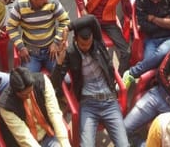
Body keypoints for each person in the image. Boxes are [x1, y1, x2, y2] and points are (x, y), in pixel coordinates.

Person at [51, 15, 130, 147]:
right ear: (75, 40)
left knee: (124, 145)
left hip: (110, 101)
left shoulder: (98, 43)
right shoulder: (70, 53)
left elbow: (92, 19)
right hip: (89, 104)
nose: (87, 47)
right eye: (83, 45)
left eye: (89, 43)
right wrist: (59, 63)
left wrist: (67, 28)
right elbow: (54, 84)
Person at [122, 0, 170, 90]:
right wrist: (165, 21)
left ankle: (131, 72)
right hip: (151, 38)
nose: (155, 1)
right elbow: (145, 26)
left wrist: (153, 18)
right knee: (149, 66)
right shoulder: (141, 1)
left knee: (161, 52)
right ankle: (148, 88)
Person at [73, 0, 132, 75]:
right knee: (83, 44)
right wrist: (82, 9)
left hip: (109, 21)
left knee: (127, 52)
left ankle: (119, 79)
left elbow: (128, 12)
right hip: (91, 17)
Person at [6, 0, 70, 73]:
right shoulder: (20, 6)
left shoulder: (53, 1)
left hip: (51, 50)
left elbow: (65, 21)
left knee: (63, 76)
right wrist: (21, 47)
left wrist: (56, 42)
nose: (46, 1)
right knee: (28, 80)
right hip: (31, 53)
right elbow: (11, 27)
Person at [0, 66, 71, 147]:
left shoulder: (43, 81)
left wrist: (64, 142)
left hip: (48, 134)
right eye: (24, 95)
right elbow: (24, 137)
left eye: (30, 91)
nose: (29, 96)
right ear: (15, 92)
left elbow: (54, 113)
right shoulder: (5, 107)